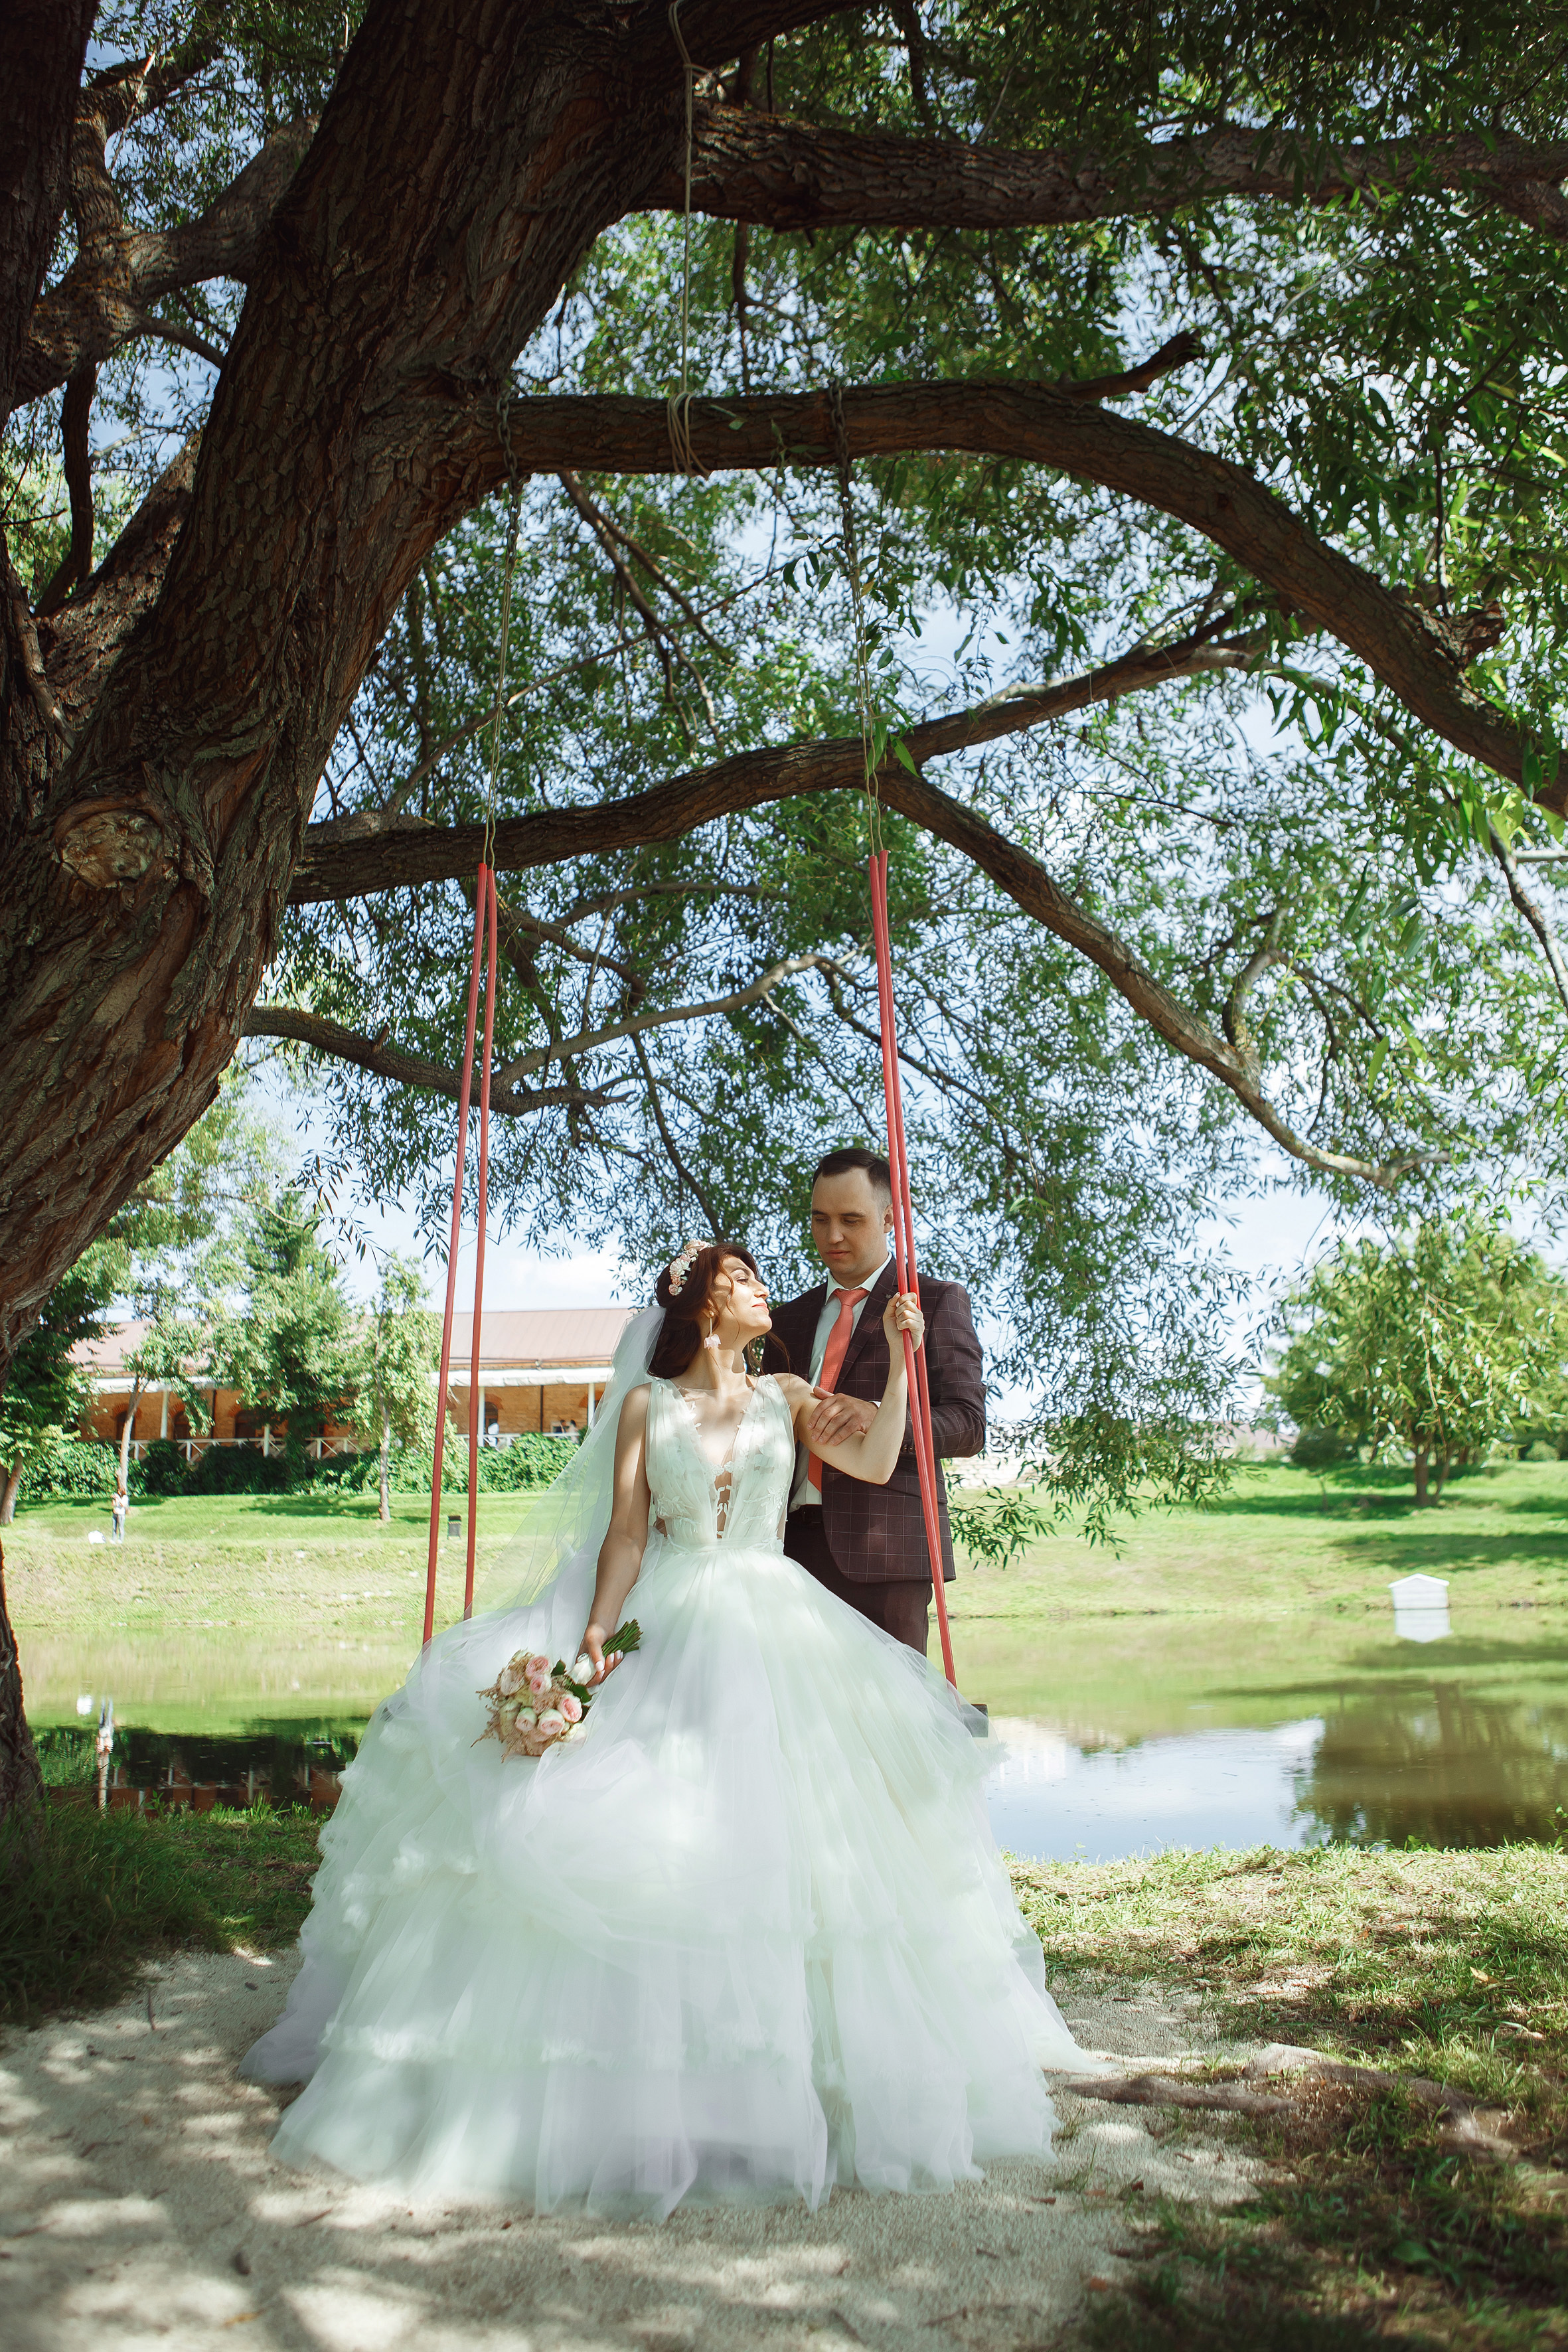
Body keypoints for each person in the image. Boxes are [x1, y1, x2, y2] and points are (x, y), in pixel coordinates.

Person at [241, 1239, 1081, 2217]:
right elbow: (628, 1533)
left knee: (792, 1833)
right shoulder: (647, 1405)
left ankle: (795, 2077)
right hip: (673, 1610)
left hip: (776, 1613)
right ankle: (653, 2081)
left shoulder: (787, 1394)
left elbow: (879, 1454)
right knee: (650, 1816)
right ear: (704, 1307)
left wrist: (900, 1359)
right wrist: (595, 1639)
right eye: (746, 1282)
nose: (767, 1291)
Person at [767, 1148, 985, 1656]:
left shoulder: (933, 1302)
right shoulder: (785, 1320)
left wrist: (880, 1415)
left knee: (890, 1726)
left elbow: (970, 1425)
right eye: (820, 1219)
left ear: (889, 1218)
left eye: (851, 1220)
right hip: (783, 1554)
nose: (833, 1236)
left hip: (886, 1557)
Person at [110, 1476, 128, 1543]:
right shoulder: (117, 1497)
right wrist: (114, 1499)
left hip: (121, 1514)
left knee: (121, 1527)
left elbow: (122, 1505)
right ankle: (113, 1539)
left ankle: (120, 1539)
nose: (118, 1491)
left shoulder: (125, 1498)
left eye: (120, 1490)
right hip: (115, 1513)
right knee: (114, 1527)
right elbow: (113, 1505)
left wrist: (118, 1499)